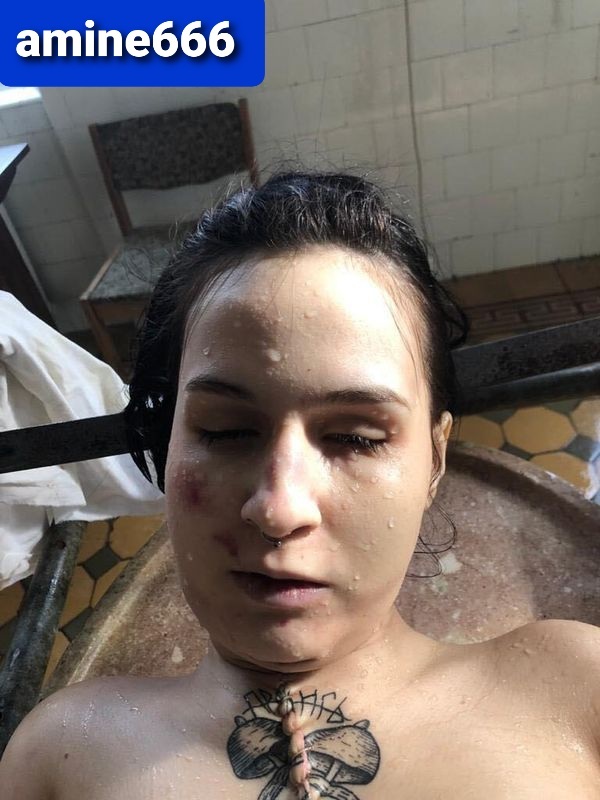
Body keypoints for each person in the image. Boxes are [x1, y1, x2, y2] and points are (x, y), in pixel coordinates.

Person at [1, 171, 599, 799]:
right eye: (227, 430)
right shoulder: (60, 756)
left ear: (434, 459)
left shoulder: (573, 691)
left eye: (356, 438)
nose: (279, 509)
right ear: (168, 447)